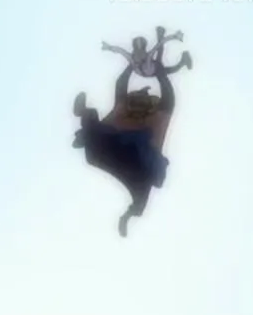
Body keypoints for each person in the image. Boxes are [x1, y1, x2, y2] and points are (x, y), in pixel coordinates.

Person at [72, 32, 192, 236]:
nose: (139, 109)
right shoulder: (125, 110)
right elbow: (123, 87)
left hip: (136, 161)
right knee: (95, 133)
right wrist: (141, 69)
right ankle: (84, 113)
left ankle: (128, 215)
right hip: (116, 150)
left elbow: (167, 101)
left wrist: (159, 74)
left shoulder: (153, 116)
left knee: (142, 191)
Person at [102, 27, 185, 78]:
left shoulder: (147, 55)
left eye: (141, 45)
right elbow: (121, 51)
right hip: (142, 71)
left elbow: (157, 46)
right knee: (152, 54)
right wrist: (109, 47)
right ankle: (169, 36)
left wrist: (172, 37)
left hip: (153, 67)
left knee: (155, 52)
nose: (139, 48)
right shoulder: (132, 57)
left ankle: (182, 61)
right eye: (138, 45)